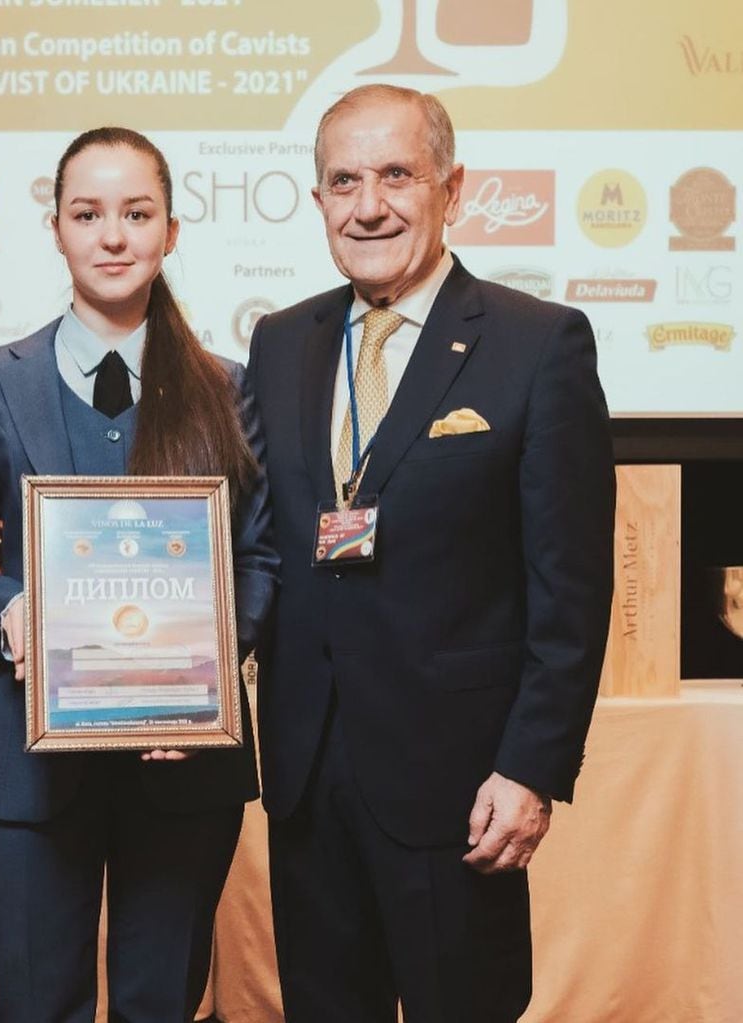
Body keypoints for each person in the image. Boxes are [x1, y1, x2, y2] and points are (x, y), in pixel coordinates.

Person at [246, 85, 615, 1022]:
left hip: (459, 785)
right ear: (319, 197)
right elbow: (256, 549)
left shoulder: (538, 346)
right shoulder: (280, 343)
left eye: (396, 175)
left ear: (452, 187)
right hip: (305, 777)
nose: (368, 204)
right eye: (343, 180)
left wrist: (531, 768)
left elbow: (569, 587)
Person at [0, 126, 277, 1023]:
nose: (112, 236)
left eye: (136, 213)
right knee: (37, 1001)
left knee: (162, 1001)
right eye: (89, 213)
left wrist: (202, 684)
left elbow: (259, 559)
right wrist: (8, 610)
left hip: (184, 758)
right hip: (25, 764)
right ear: (57, 229)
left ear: (170, 232)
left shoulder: (227, 388)